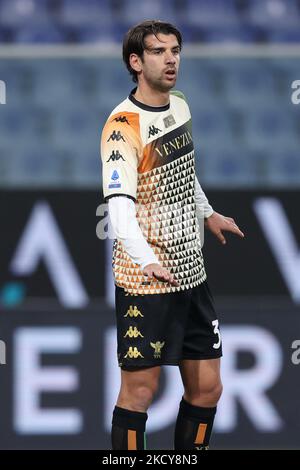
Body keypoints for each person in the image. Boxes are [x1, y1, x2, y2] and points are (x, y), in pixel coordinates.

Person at [100, 20, 244, 450]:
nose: (171, 60)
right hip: (145, 281)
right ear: (136, 61)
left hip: (190, 274)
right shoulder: (122, 126)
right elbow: (120, 208)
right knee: (140, 393)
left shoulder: (179, 105)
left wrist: (208, 212)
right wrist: (147, 261)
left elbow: (185, 173)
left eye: (175, 51)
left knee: (208, 389)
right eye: (159, 52)